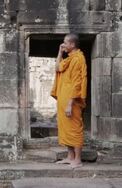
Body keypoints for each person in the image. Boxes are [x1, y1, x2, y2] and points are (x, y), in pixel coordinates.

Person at [51, 34, 87, 168]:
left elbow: (77, 83)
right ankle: (70, 157)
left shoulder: (78, 59)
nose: (63, 44)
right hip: (63, 97)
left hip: (71, 101)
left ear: (72, 45)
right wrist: (60, 52)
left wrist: (70, 103)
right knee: (66, 128)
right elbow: (57, 68)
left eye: (65, 43)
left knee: (74, 128)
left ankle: (77, 160)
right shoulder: (69, 58)